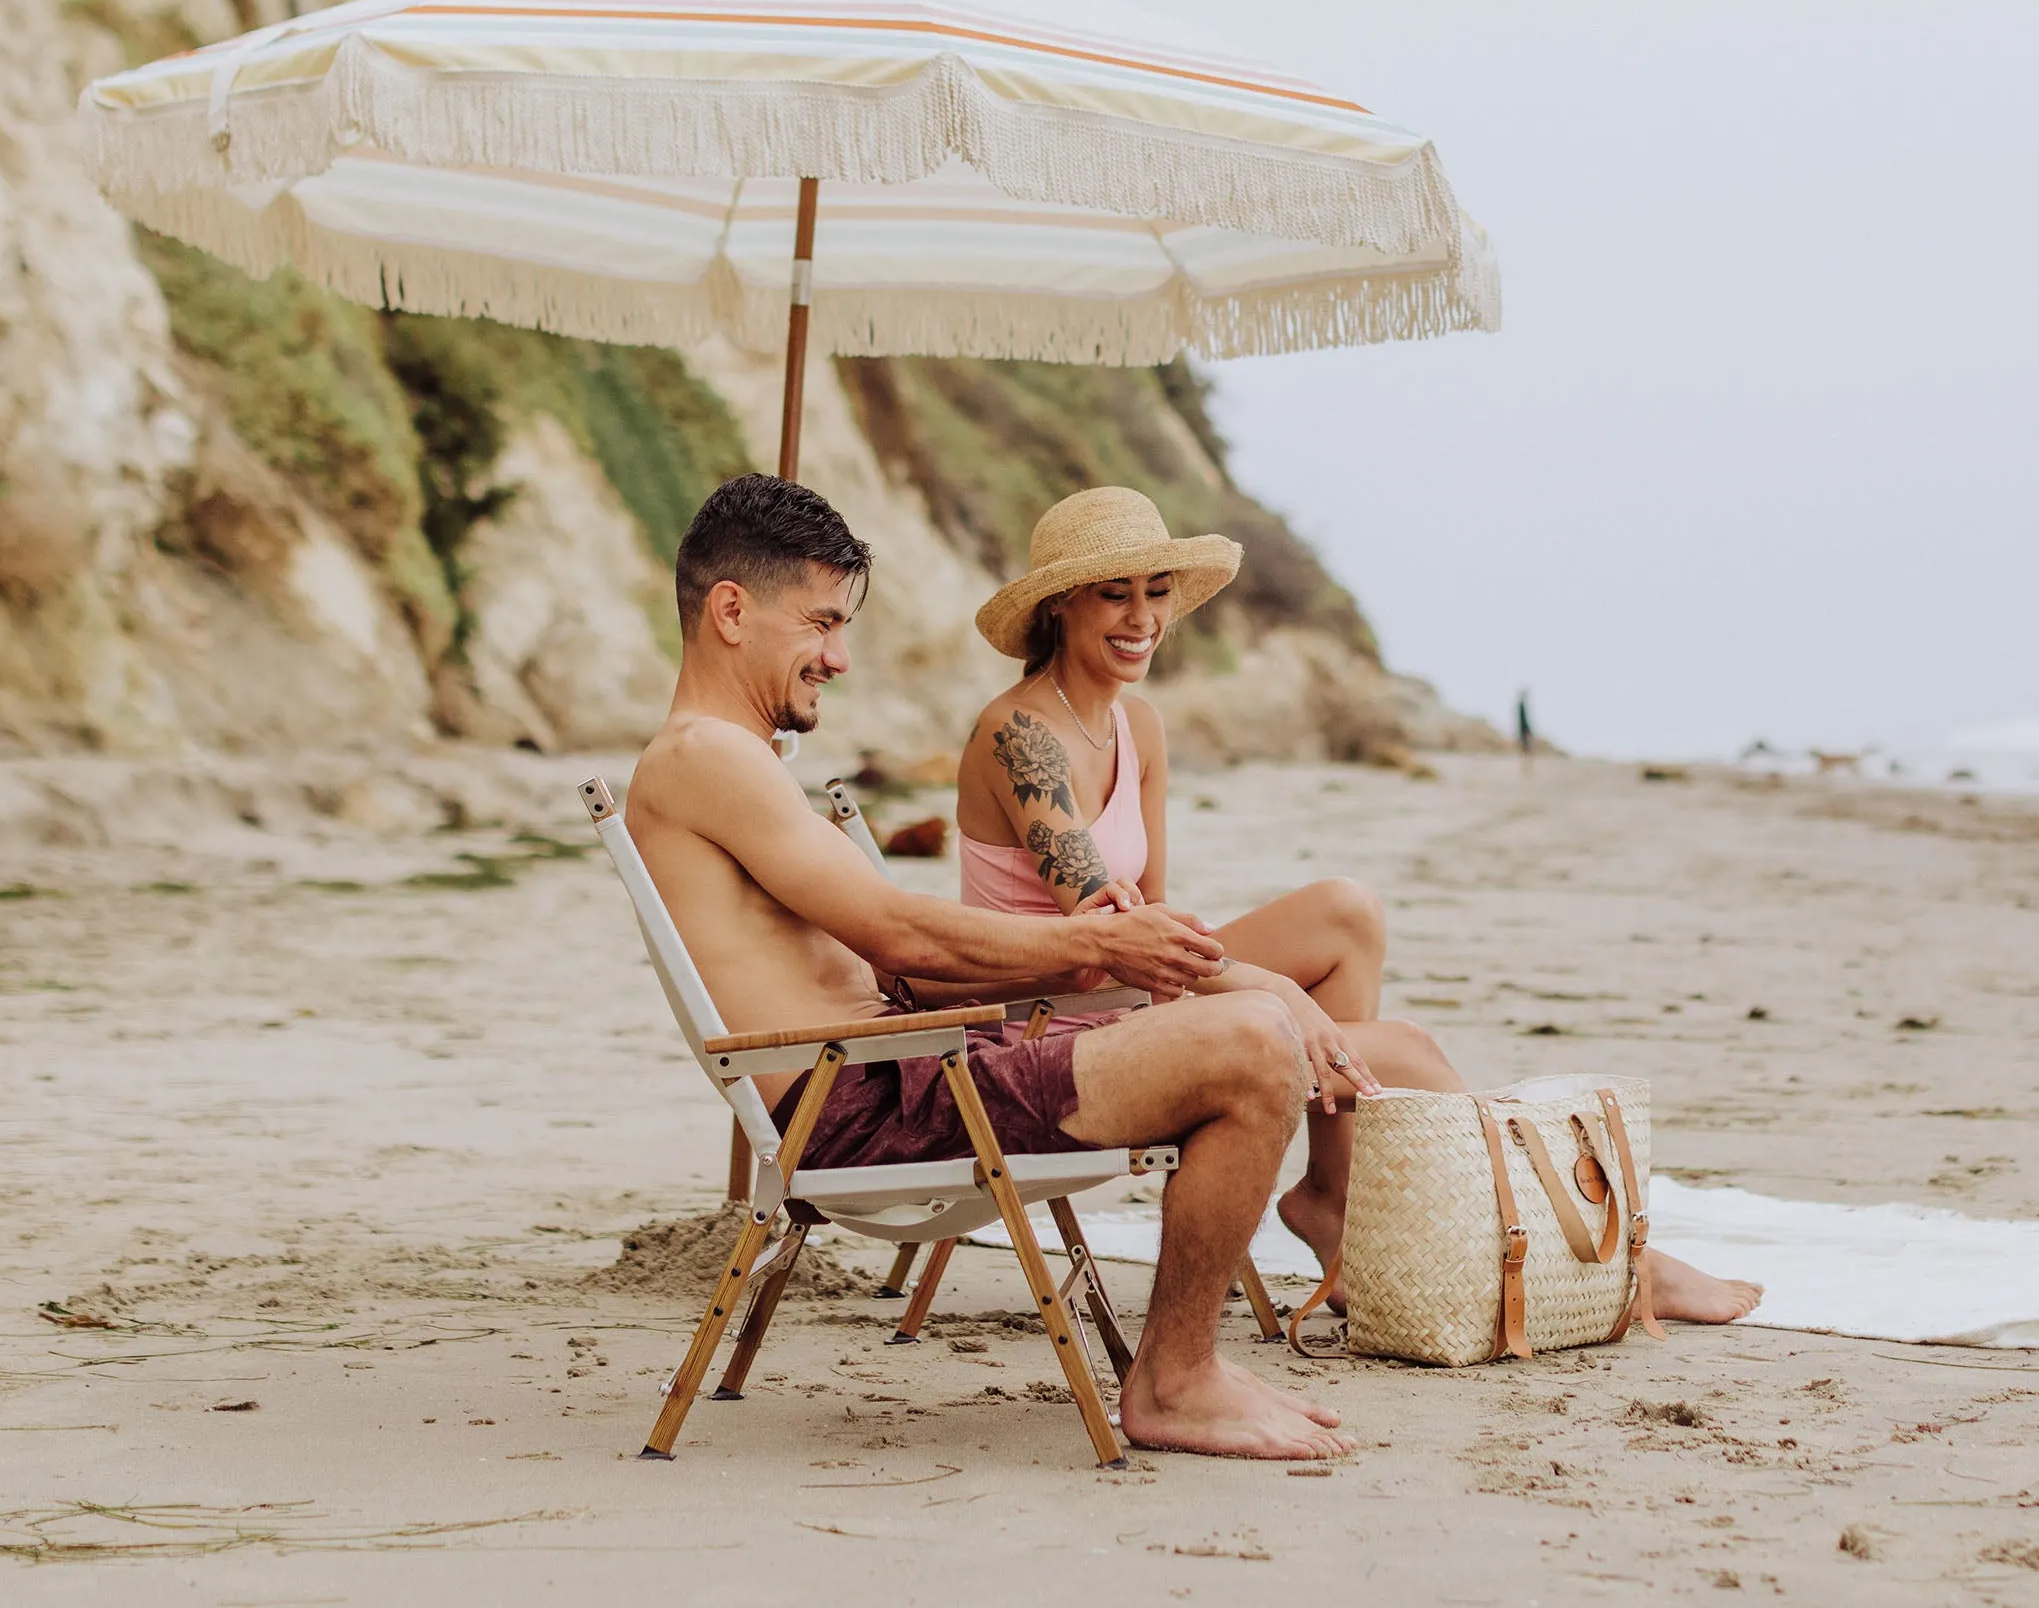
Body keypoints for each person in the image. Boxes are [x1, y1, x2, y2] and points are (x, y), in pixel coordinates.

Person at [624, 473, 1353, 1460]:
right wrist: (1096, 944)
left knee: (1259, 1027)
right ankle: (1177, 1379)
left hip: (915, 1065)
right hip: (875, 1105)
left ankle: (1212, 1343)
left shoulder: (740, 759)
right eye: (824, 623)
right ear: (731, 610)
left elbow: (907, 968)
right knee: (1254, 1047)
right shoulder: (704, 756)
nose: (838, 657)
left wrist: (1103, 967)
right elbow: (902, 936)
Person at [954, 486, 1761, 1324]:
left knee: (1347, 911)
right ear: (1059, 605)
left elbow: (1156, 918)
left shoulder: (1138, 725)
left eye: (1156, 591)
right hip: (1049, 1029)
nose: (1143, 617)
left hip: (1126, 993)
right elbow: (1120, 938)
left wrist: (1263, 993)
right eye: (1113, 593)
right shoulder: (1019, 735)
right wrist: (1279, 997)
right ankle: (1615, 1252)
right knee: (1405, 1050)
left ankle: (1328, 1197)